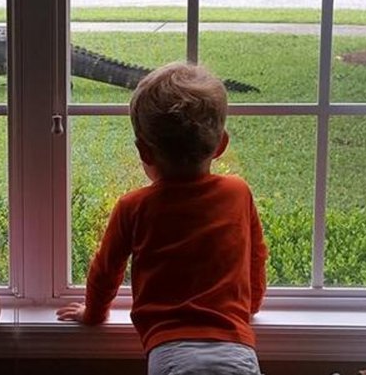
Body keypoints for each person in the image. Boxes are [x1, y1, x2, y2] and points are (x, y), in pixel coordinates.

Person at [56, 62, 268, 375]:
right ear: (221, 144)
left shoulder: (134, 206)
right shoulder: (238, 193)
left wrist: (93, 314)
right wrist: (250, 306)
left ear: (144, 151)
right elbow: (256, 258)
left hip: (171, 353)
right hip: (236, 351)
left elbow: (106, 270)